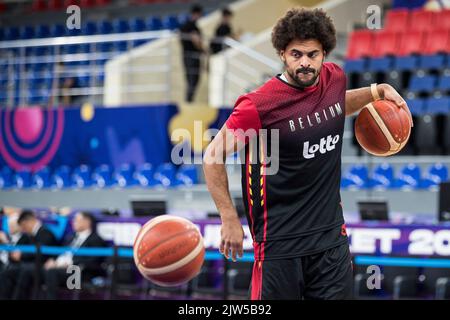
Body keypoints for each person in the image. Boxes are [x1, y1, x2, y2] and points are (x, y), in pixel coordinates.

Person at [203, 8, 413, 300]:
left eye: (312, 54)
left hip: (331, 241)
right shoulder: (258, 106)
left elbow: (339, 105)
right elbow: (213, 155)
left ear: (324, 52)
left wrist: (377, 92)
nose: (304, 63)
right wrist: (228, 217)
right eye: (296, 54)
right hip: (279, 245)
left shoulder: (335, 79)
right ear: (282, 54)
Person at [42, 211, 106, 300]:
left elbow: (93, 261)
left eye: (77, 220)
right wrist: (54, 261)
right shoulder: (70, 237)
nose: (74, 222)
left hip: (80, 272)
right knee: (42, 270)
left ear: (87, 222)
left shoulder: (96, 239)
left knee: (52, 272)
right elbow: (61, 252)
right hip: (61, 268)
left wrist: (71, 264)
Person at [9, 209, 58, 299]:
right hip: (31, 264)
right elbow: (17, 250)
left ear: (29, 221)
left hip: (44, 265)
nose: (23, 229)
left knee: (26, 270)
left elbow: (42, 255)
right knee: (9, 271)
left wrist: (22, 256)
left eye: (24, 226)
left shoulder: (45, 232)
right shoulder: (28, 235)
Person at [0, 213, 33, 299]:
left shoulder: (26, 238)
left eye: (12, 225)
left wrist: (6, 243)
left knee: (5, 274)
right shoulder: (6, 236)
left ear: (19, 226)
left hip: (15, 266)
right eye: (9, 225)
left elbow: (16, 255)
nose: (10, 227)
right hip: (4, 264)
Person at [179, 4, 205, 102]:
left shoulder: (184, 26)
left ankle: (189, 101)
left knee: (190, 80)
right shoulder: (192, 26)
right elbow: (196, 40)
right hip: (192, 57)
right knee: (193, 80)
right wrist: (203, 50)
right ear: (196, 14)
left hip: (186, 56)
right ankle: (188, 102)